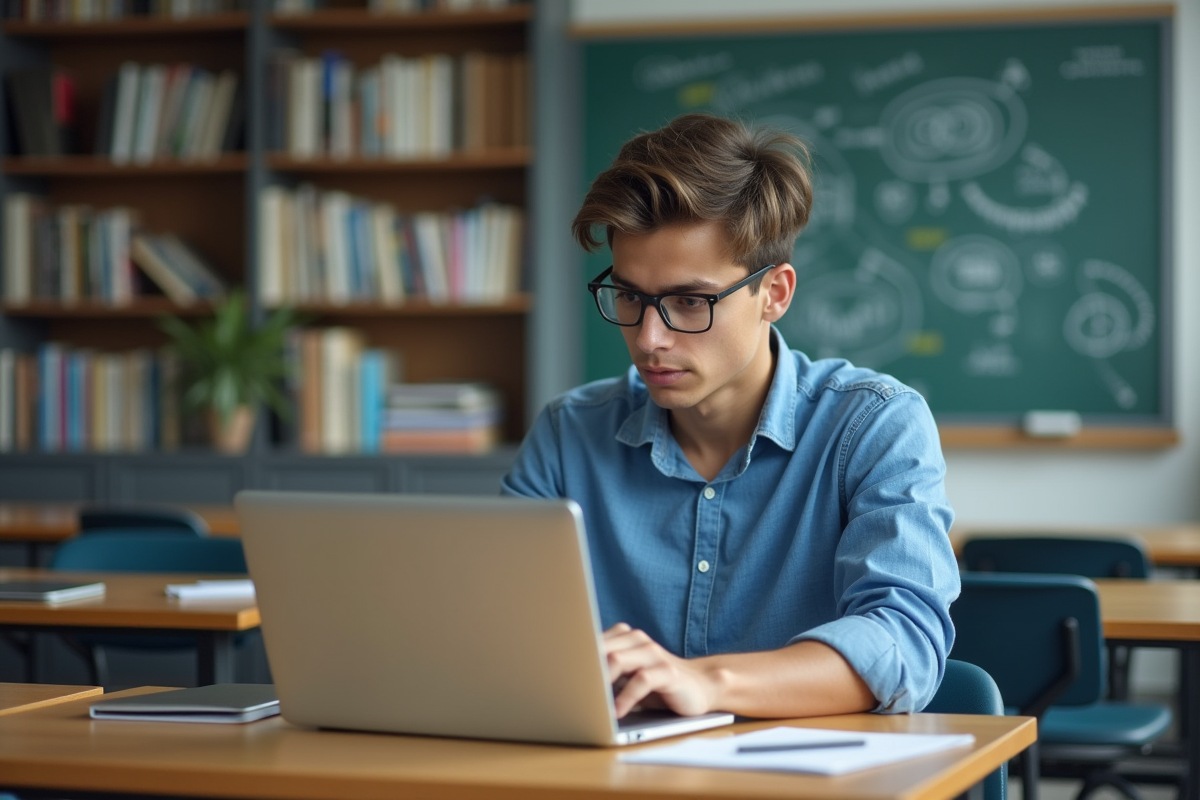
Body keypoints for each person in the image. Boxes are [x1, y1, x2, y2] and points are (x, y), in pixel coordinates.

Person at [501, 113, 959, 720]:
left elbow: (903, 645)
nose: (649, 338)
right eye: (631, 296)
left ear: (774, 293)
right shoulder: (568, 433)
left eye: (690, 302)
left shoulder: (875, 426)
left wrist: (707, 683)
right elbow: (496, 629)